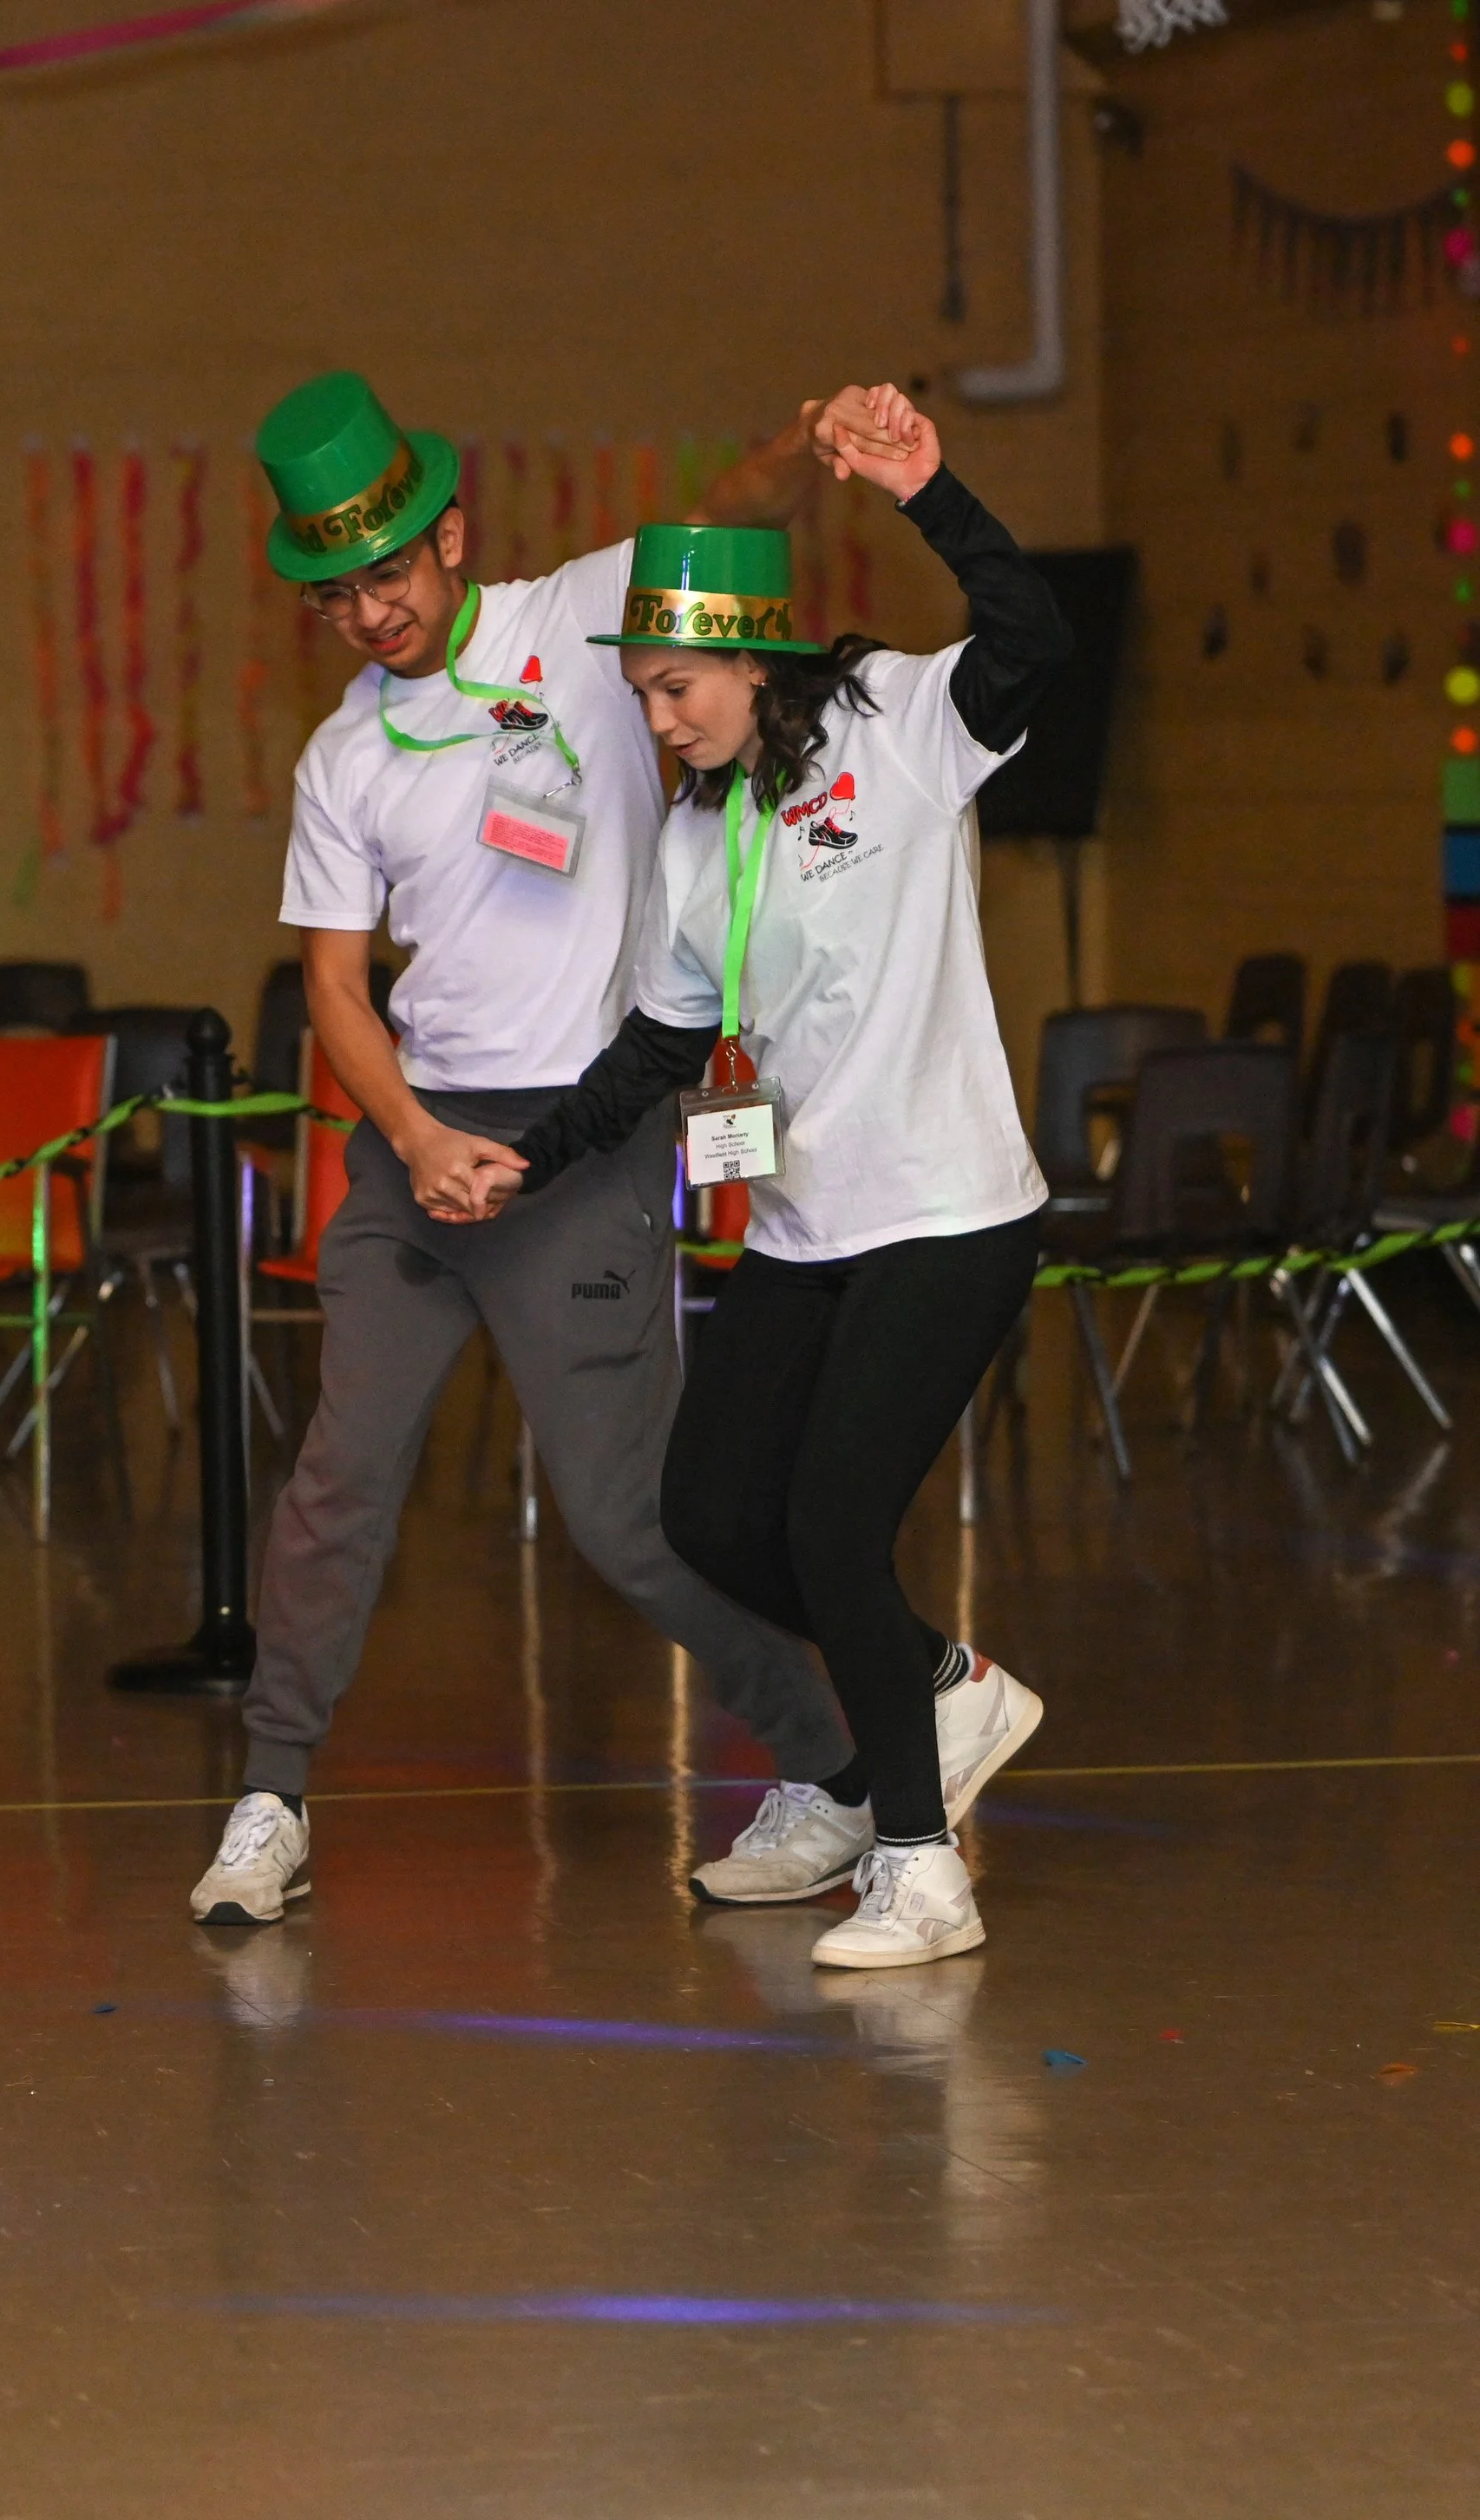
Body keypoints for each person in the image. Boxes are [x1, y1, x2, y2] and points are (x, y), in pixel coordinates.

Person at [191, 371, 1038, 1927]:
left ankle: (853, 1774)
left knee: (643, 1527)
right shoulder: (356, 763)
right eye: (334, 592)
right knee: (341, 1479)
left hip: (703, 1165)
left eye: (388, 572)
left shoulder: (606, 626)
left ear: (450, 538)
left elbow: (733, 524)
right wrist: (421, 1139)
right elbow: (339, 983)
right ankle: (269, 1795)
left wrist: (830, 451)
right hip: (437, 1141)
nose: (369, 611)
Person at [468, 383, 1064, 1971]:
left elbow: (1034, 643)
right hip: (808, 1226)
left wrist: (931, 490)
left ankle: (925, 1868)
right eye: (645, 695)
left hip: (946, 1210)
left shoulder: (894, 726)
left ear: (755, 658)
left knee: (826, 1524)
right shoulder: (692, 838)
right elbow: (660, 1057)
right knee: (714, 1511)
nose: (659, 721)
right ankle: (910, 1732)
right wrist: (513, 1162)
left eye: (678, 690)